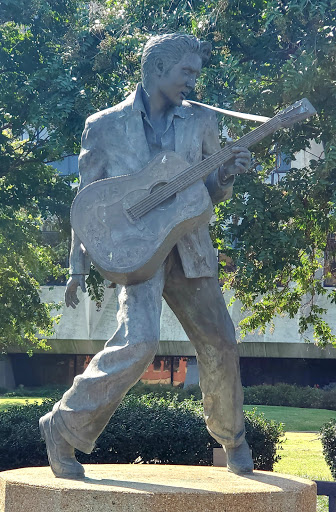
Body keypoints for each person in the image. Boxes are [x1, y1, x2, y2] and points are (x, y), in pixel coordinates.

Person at [39, 33, 253, 478]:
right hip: (135, 253)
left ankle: (233, 439)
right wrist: (77, 266)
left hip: (190, 249)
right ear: (156, 70)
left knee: (220, 342)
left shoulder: (202, 122)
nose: (193, 82)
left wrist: (227, 175)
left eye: (196, 73)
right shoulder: (104, 126)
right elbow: (88, 203)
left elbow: (207, 194)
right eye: (186, 72)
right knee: (138, 344)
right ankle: (62, 427)